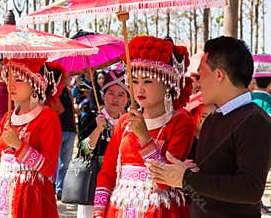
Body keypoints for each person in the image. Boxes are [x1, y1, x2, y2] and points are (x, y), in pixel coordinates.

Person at [146, 36, 271, 218]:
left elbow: (250, 189)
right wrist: (188, 171)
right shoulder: (213, 118)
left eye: (201, 74)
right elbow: (210, 178)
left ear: (219, 75)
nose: (198, 82)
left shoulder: (255, 121)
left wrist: (187, 178)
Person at [93, 35, 195, 218]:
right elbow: (107, 174)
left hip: (161, 211)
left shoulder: (181, 122)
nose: (139, 89)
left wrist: (144, 137)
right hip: (119, 210)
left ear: (167, 84)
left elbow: (165, 181)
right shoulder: (124, 122)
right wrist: (99, 212)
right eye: (134, 81)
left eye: (148, 81)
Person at [0, 58, 65, 218]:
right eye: (8, 78)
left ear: (35, 83)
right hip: (1, 195)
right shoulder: (7, 118)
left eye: (18, 79)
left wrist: (19, 145)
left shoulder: (48, 117)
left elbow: (49, 168)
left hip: (31, 198)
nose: (11, 85)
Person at [77, 68, 129, 218]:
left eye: (121, 95)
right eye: (111, 93)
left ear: (127, 99)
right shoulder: (91, 118)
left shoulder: (130, 123)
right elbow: (82, 151)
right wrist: (98, 129)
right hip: (93, 183)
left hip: (121, 183)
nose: (115, 99)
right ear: (103, 95)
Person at [51, 72, 77, 201]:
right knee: (55, 161)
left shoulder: (68, 91)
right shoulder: (55, 91)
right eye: (68, 76)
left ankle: (60, 189)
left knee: (65, 162)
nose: (70, 78)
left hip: (70, 130)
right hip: (58, 129)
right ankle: (52, 186)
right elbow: (56, 109)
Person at [185, 92, 215, 160]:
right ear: (192, 115)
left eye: (212, 116)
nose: (209, 120)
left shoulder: (216, 141)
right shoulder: (183, 139)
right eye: (204, 116)